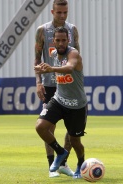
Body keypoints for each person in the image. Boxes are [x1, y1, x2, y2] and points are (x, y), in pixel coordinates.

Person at [34, 0, 80, 178]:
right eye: (59, 12)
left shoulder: (72, 29)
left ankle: (62, 163)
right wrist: (38, 82)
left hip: (68, 84)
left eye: (65, 12)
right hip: (50, 84)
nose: (62, 16)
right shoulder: (42, 31)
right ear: (52, 11)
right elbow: (37, 58)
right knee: (48, 126)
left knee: (72, 127)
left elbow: (77, 59)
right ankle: (51, 165)